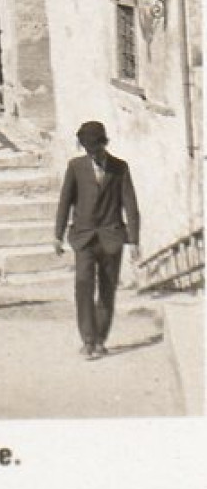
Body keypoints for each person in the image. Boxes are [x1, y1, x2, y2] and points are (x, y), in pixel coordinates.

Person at [54, 120, 141, 359]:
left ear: (105, 144)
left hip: (112, 237)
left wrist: (134, 240)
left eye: (96, 148)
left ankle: (100, 338)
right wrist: (57, 234)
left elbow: (130, 205)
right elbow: (65, 201)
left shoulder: (120, 168)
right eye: (88, 149)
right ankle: (87, 339)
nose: (92, 154)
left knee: (107, 288)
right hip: (83, 237)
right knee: (83, 284)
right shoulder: (75, 167)